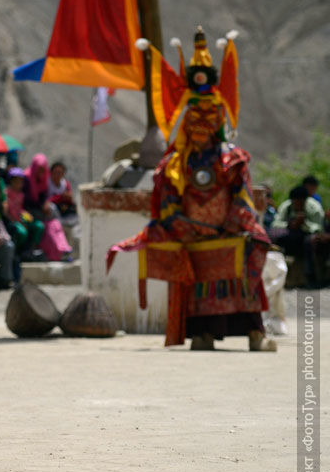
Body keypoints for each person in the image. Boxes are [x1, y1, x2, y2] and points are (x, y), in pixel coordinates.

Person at [109, 27, 275, 351]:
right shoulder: (174, 165)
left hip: (228, 230)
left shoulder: (233, 160)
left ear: (220, 117)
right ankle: (204, 334)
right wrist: (179, 223)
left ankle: (255, 332)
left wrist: (233, 220)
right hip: (193, 236)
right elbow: (169, 198)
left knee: (251, 251)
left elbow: (241, 195)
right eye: (194, 113)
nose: (201, 120)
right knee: (198, 277)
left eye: (209, 114)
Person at [272, 185, 325, 287]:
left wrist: (304, 224)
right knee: (275, 237)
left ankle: (311, 276)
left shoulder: (314, 208)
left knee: (311, 242)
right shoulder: (286, 207)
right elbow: (276, 224)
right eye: (295, 202)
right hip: (291, 235)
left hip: (307, 237)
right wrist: (291, 224)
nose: (297, 205)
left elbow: (318, 227)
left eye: (300, 202)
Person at [5, 167, 44, 260]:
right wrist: (19, 222)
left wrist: (27, 216)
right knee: (23, 232)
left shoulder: (21, 194)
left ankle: (32, 249)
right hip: (13, 221)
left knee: (39, 226)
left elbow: (20, 209)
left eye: (21, 181)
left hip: (21, 219)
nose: (19, 184)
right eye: (16, 181)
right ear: (11, 181)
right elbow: (8, 212)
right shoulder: (6, 193)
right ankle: (17, 251)